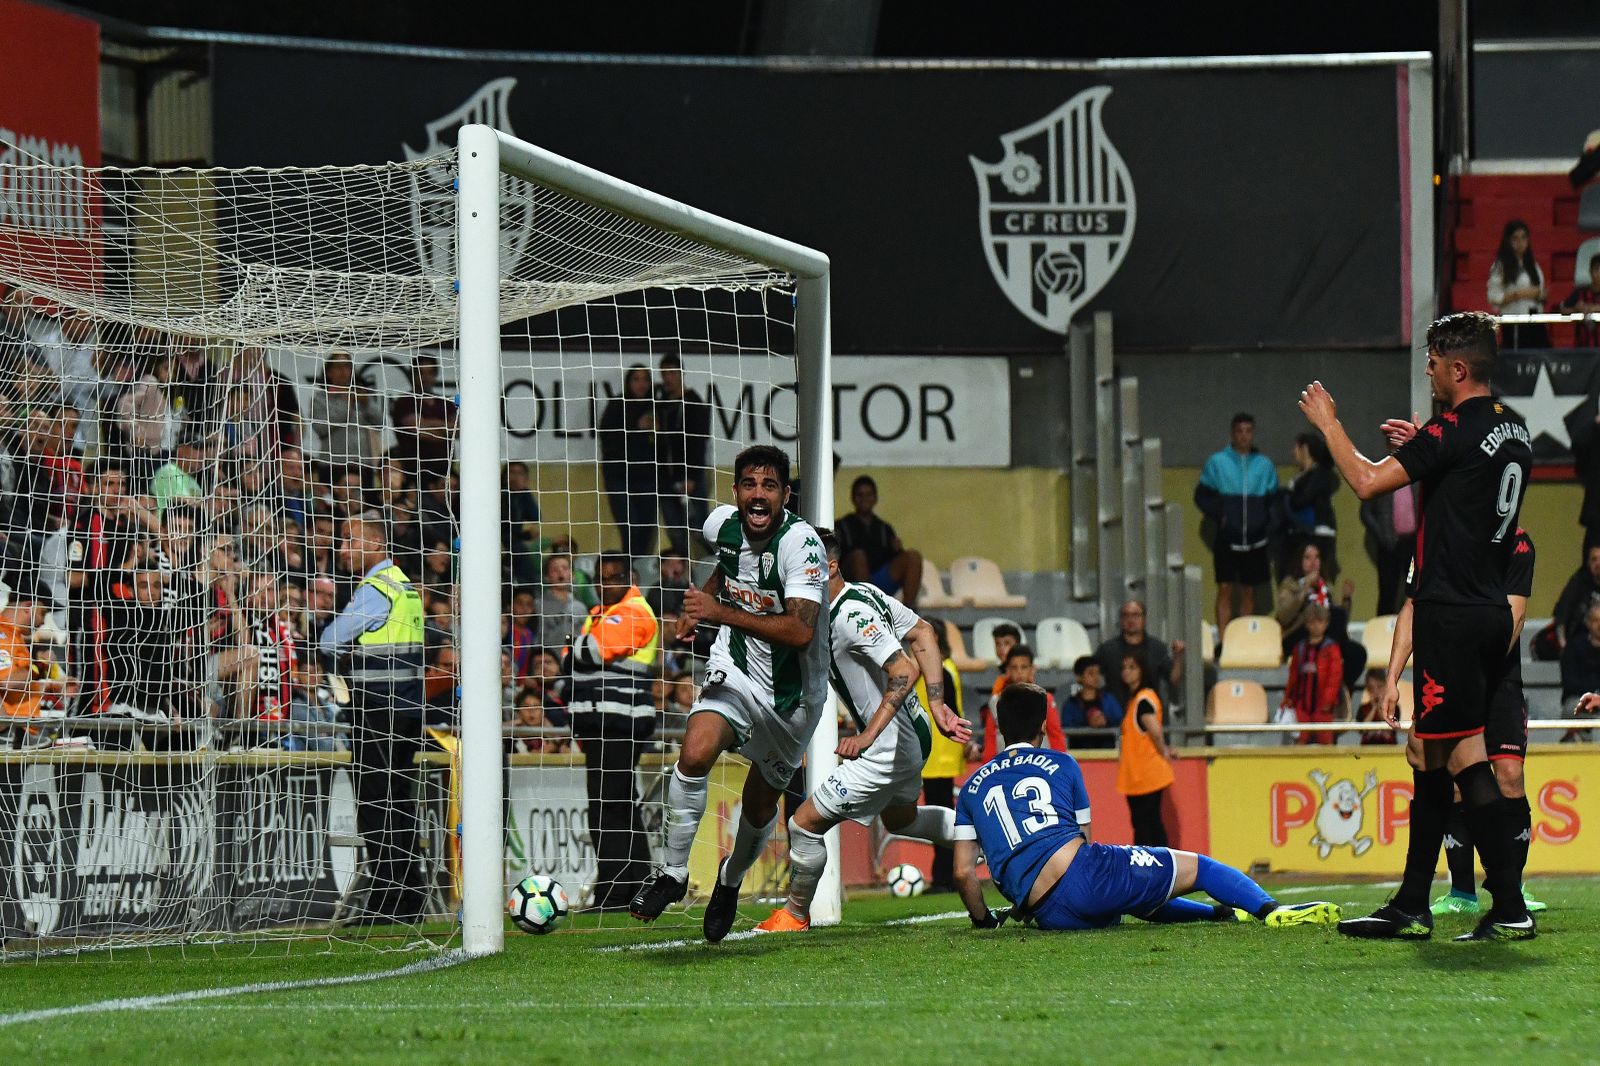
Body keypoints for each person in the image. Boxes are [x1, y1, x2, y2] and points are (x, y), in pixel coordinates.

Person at [1300, 310, 1536, 941]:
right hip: (1486, 607)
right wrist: (1427, 448)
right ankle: (1411, 903)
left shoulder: (1452, 430)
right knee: (1426, 753)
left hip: (1451, 615)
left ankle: (1509, 906)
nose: (1428, 368)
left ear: (1459, 369)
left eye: (1434, 360)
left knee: (1462, 757)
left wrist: (1330, 424)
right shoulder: (1515, 428)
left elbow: (1369, 481)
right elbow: (1464, 483)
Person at [630, 445, 827, 943]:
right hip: (736, 671)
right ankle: (674, 874)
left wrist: (719, 612)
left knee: (760, 809)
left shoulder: (801, 546)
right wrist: (702, 604)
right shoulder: (721, 526)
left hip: (792, 701)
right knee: (694, 753)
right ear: (736, 490)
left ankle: (729, 880)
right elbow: (725, 568)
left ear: (785, 494)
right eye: (748, 485)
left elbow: (802, 631)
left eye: (769, 486)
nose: (757, 495)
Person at [950, 683, 1340, 932]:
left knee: (1131, 896)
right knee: (1199, 867)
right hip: (1082, 878)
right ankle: (1270, 910)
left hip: (1049, 914)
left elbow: (964, 873)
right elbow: (1084, 841)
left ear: (999, 727)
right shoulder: (1061, 763)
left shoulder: (972, 786)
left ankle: (1221, 915)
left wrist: (984, 921)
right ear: (1041, 727)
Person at [753, 529, 972, 932]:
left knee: (803, 823)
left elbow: (903, 670)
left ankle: (795, 915)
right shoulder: (864, 593)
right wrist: (937, 704)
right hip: (913, 732)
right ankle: (989, 841)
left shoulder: (852, 615)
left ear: (830, 567)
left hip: (887, 745)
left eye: (803, 566)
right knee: (902, 821)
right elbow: (923, 631)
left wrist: (867, 736)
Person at [1424, 526, 1548, 918]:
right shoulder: (1455, 535)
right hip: (1458, 674)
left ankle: (1515, 886)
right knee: (1459, 782)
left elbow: (1516, 613)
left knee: (1510, 775)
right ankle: (1462, 891)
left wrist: (1483, 670)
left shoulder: (1519, 543)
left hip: (1501, 679)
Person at [318, 513, 427, 922]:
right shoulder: (406, 588)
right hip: (408, 712)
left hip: (377, 711)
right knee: (400, 803)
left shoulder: (375, 589)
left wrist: (342, 671)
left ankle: (386, 900)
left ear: (375, 545)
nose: (342, 548)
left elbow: (330, 640)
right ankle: (409, 895)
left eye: (350, 541)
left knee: (376, 805)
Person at [565, 551, 659, 911]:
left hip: (620, 719)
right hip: (603, 719)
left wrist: (568, 652)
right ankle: (636, 884)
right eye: (602, 579)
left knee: (606, 807)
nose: (607, 585)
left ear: (630, 577)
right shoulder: (599, 614)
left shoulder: (635, 611)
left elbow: (592, 650)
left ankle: (615, 892)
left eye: (615, 577)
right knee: (619, 803)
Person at [1194, 412, 1279, 631]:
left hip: (1255, 539)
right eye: (1240, 431)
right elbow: (1201, 496)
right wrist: (1221, 516)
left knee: (1249, 590)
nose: (1244, 436)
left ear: (1253, 434)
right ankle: (1224, 642)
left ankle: (1241, 639)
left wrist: (1264, 523)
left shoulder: (1264, 465)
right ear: (1233, 434)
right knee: (1225, 588)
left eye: (1248, 431)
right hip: (1227, 538)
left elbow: (1274, 501)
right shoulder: (1217, 462)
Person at [917, 615, 965, 892]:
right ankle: (944, 875)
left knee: (941, 819)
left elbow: (951, 711)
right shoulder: (946, 667)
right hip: (940, 755)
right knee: (943, 816)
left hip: (938, 756)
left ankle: (945, 877)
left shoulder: (937, 671)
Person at [597, 364, 659, 558]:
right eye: (636, 379)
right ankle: (629, 571)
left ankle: (639, 572)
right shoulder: (617, 405)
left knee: (647, 528)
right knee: (630, 527)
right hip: (620, 477)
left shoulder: (656, 406)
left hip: (647, 477)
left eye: (645, 379)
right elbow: (607, 437)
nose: (641, 384)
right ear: (628, 382)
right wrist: (635, 427)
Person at [653, 354, 711, 557]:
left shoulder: (693, 402)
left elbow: (698, 442)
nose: (667, 377)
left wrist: (693, 476)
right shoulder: (662, 404)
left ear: (681, 374)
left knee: (699, 528)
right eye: (664, 373)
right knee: (675, 532)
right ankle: (686, 576)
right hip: (667, 479)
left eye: (672, 372)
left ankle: (717, 569)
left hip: (688, 478)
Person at [834, 475, 923, 607]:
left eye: (869, 494)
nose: (865, 499)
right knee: (859, 557)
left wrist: (897, 549)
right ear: (853, 498)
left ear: (875, 498)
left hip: (879, 579)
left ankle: (909, 615)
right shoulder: (842, 525)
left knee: (913, 557)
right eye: (860, 495)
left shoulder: (884, 528)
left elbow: (894, 557)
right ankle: (867, 609)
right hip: (852, 581)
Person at [1116, 652, 1175, 847]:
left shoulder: (1143, 700)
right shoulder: (1137, 700)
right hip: (1139, 775)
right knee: (1147, 824)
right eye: (1124, 668)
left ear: (1142, 671)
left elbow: (1154, 731)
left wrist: (1163, 750)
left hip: (1146, 774)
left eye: (1132, 667)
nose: (1126, 672)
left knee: (1147, 826)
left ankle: (1156, 868)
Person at [977, 644, 1065, 761]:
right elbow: (990, 738)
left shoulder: (1045, 699)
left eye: (1024, 667)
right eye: (1014, 667)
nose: (1019, 672)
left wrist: (1061, 763)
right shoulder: (996, 701)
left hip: (1040, 765)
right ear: (1008, 670)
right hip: (1005, 765)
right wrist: (988, 766)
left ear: (1032, 669)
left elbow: (1055, 735)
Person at [1358, 451, 1419, 616]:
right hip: (1389, 547)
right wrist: (1382, 536)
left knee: (1414, 588)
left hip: (1412, 548)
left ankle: (1415, 629)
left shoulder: (1417, 473)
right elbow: (1366, 512)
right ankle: (1382, 631)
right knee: (1388, 591)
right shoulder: (1380, 474)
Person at [1094, 599, 1183, 706]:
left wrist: (1178, 657)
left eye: (1136, 615)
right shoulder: (1107, 650)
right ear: (1121, 620)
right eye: (1126, 615)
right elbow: (1091, 676)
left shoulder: (1157, 648)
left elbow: (1173, 679)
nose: (1131, 620)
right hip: (1116, 717)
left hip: (1149, 713)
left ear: (1144, 619)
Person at [1281, 431, 1340, 583]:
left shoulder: (1319, 475)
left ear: (1305, 448)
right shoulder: (1301, 477)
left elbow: (1300, 501)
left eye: (1296, 447)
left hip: (1317, 534)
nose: (1293, 453)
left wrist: (1287, 496)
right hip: (1302, 533)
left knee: (1317, 579)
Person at [1280, 602, 1343, 745]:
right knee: (1300, 739)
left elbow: (1334, 677)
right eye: (1311, 622)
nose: (1315, 625)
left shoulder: (1331, 649)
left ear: (1326, 623)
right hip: (1301, 704)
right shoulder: (1300, 648)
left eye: (1319, 621)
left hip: (1323, 705)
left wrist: (1328, 700)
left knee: (1325, 740)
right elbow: (1293, 676)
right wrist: (1288, 698)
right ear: (1306, 624)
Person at [1486, 219, 1548, 349]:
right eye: (1515, 238)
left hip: (1536, 319)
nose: (1520, 243)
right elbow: (1494, 297)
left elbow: (1542, 292)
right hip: (1515, 322)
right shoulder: (1500, 266)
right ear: (1508, 240)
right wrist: (1519, 294)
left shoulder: (1532, 265)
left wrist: (1539, 294)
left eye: (1524, 238)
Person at [1060, 654, 1123, 750]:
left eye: (1098, 673)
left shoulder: (1109, 699)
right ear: (1079, 677)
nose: (1096, 677)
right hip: (1080, 754)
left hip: (1108, 753)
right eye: (1091, 673)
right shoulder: (1070, 704)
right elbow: (1066, 728)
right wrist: (1087, 723)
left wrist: (1105, 721)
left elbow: (1120, 721)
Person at [1550, 545, 1600, 653]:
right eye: (1594, 559)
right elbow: (1562, 614)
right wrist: (1564, 646)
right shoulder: (1578, 584)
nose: (1598, 563)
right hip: (1581, 644)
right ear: (1588, 563)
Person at [1559, 602, 1600, 706]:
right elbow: (1570, 683)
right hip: (1578, 698)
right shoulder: (1573, 648)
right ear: (1588, 623)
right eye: (1596, 620)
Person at [1558, 252, 1600, 348]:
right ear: (1590, 271)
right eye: (1596, 269)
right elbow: (1563, 309)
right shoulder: (1580, 292)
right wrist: (1576, 310)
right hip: (1584, 348)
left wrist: (1595, 308)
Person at [1355, 669, 1398, 746]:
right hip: (1368, 749)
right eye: (1371, 688)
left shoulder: (1393, 707)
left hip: (1389, 749)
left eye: (1379, 687)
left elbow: (1391, 726)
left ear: (1385, 686)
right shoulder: (1363, 708)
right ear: (1367, 689)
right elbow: (1362, 729)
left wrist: (1381, 707)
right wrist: (1374, 708)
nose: (1376, 692)